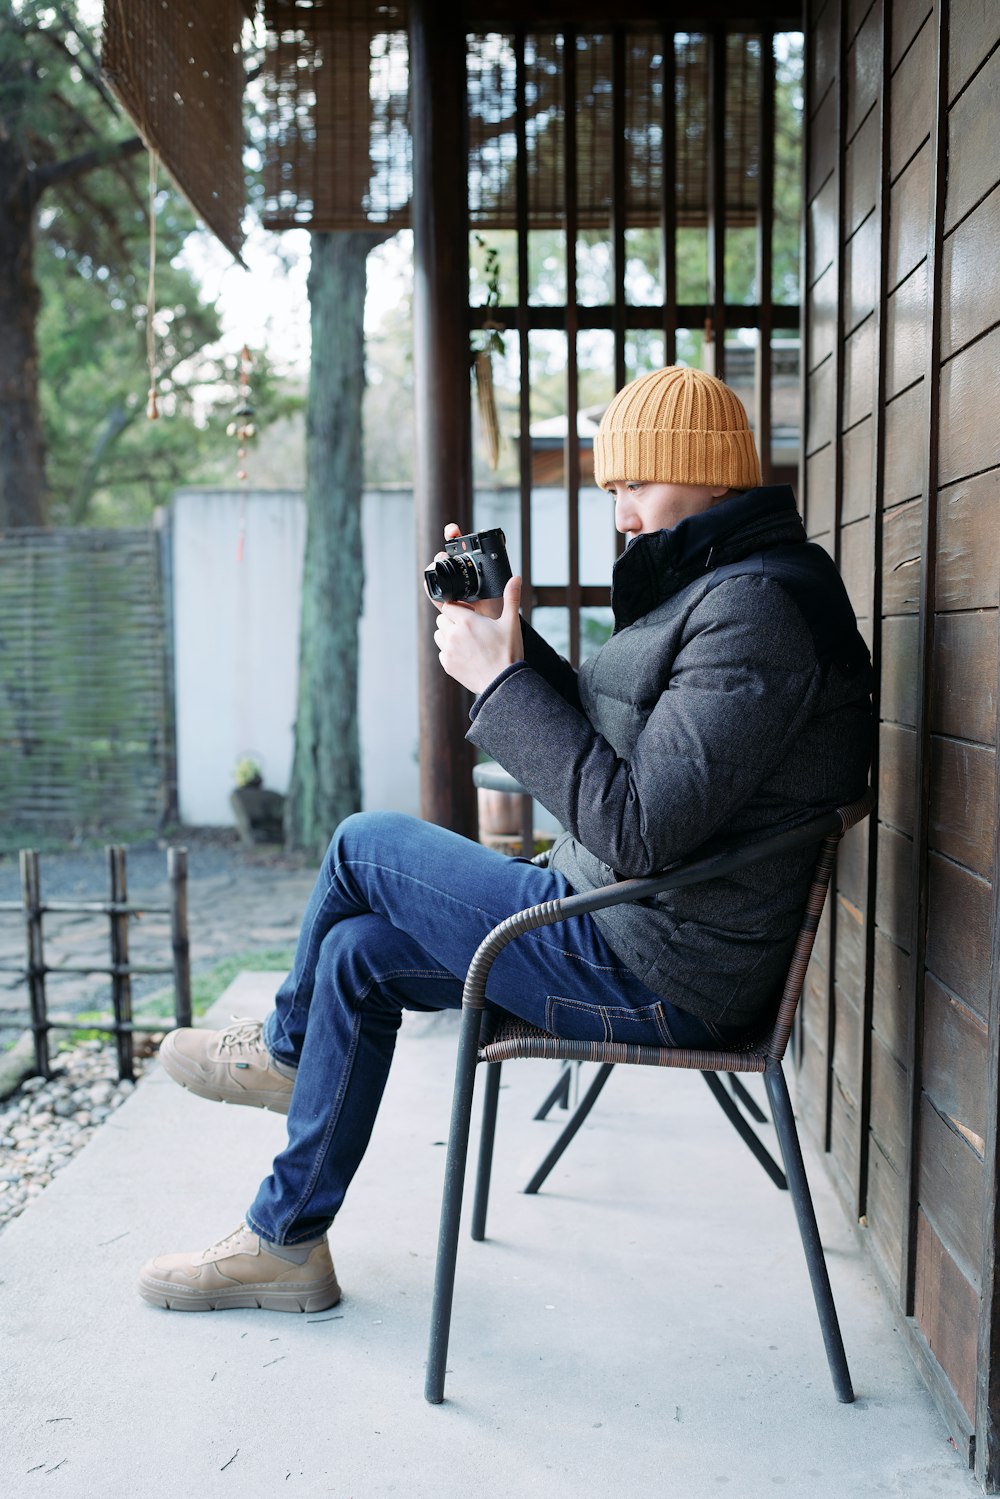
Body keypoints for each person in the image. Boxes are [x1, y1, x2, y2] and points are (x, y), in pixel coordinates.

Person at [137, 364, 872, 1313]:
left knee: (362, 843)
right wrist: (513, 649)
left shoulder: (760, 611)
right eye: (612, 492)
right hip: (622, 918)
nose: (623, 516)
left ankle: (285, 1051)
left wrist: (498, 687)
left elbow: (639, 827)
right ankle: (287, 1241)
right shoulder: (722, 586)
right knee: (358, 954)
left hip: (661, 967)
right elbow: (637, 755)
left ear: (708, 470)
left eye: (635, 486)